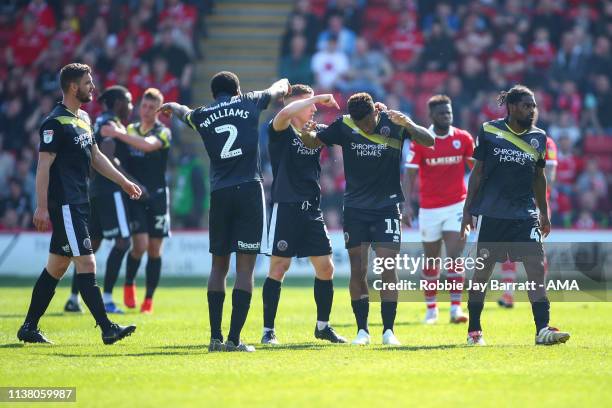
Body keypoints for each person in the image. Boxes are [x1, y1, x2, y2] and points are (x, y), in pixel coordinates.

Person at [159, 72, 290, 352]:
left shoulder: (204, 115)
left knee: (218, 266)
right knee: (245, 269)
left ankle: (215, 338)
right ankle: (234, 339)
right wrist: (284, 84)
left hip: (219, 193)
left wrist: (172, 105)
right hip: (249, 190)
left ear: (213, 93)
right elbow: (275, 89)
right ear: (237, 89)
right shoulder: (248, 102)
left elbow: (185, 113)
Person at [17, 63, 141, 345]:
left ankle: (28, 327)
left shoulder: (84, 118)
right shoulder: (54, 123)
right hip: (66, 205)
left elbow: (96, 156)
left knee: (57, 267)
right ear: (74, 87)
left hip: (80, 202)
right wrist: (41, 207)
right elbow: (43, 167)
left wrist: (123, 181)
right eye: (88, 83)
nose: (93, 88)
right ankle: (107, 328)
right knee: (87, 261)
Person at [303, 92, 434, 345]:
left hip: (387, 207)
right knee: (358, 270)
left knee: (387, 268)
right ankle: (362, 330)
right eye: (360, 125)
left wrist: (409, 123)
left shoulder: (394, 122)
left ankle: (388, 331)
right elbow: (313, 142)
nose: (365, 129)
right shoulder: (345, 125)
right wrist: (306, 134)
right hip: (355, 209)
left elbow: (428, 141)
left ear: (376, 112)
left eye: (368, 124)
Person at [460, 85, 570, 346]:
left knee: (535, 270)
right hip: (494, 215)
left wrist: (543, 212)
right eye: (526, 105)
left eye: (533, 105)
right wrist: (468, 210)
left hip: (525, 215)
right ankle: (474, 329)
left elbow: (538, 177)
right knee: (481, 274)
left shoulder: (539, 137)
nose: (531, 110)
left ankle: (542, 329)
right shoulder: (489, 131)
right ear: (511, 107)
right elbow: (477, 173)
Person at [261, 84, 346, 345]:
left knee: (325, 267)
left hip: (311, 210)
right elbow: (286, 112)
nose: (314, 109)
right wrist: (319, 96)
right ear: (295, 103)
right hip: (286, 207)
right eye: (310, 104)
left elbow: (345, 130)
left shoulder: (317, 132)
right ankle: (268, 331)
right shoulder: (280, 129)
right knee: (279, 267)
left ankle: (323, 326)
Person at [64, 85, 136, 315]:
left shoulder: (98, 121)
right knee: (124, 241)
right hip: (110, 191)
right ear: (117, 104)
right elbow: (107, 156)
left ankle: (74, 298)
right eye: (129, 101)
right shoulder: (110, 125)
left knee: (90, 246)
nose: (131, 106)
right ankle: (106, 298)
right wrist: (130, 181)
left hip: (94, 191)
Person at [403, 95, 474, 324]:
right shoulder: (421, 140)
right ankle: (431, 309)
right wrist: (405, 205)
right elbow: (410, 175)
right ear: (431, 116)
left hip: (457, 205)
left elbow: (477, 169)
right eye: (442, 113)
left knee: (454, 256)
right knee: (432, 260)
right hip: (429, 209)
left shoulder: (463, 138)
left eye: (449, 112)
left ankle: (456, 309)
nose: (447, 116)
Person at [103, 88, 172, 314]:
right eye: (144, 105)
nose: (146, 110)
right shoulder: (130, 129)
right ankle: (129, 283)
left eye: (152, 107)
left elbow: (148, 145)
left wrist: (117, 133)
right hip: (135, 196)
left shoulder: (163, 132)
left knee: (154, 249)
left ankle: (149, 299)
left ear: (159, 110)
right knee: (139, 246)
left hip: (158, 196)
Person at [497, 135, 558, 308]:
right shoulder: (509, 139)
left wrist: (541, 202)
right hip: (512, 204)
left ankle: (539, 292)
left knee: (535, 250)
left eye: (531, 107)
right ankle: (508, 294)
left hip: (536, 204)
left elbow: (550, 174)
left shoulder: (547, 142)